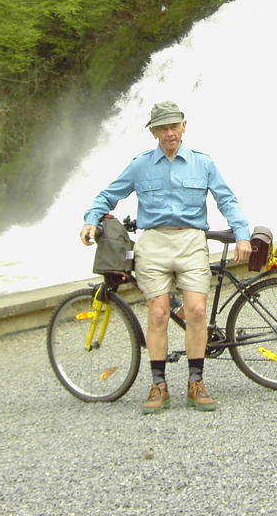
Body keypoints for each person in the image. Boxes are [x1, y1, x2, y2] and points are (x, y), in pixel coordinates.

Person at [79, 100, 251, 414]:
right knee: (158, 313)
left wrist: (242, 233)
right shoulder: (140, 165)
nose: (169, 133)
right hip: (153, 243)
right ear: (154, 132)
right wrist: (91, 218)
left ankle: (195, 382)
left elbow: (227, 199)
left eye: (174, 126)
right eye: (162, 128)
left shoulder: (204, 163)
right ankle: (158, 385)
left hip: (191, 240)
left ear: (184, 126)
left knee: (196, 310)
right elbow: (108, 196)